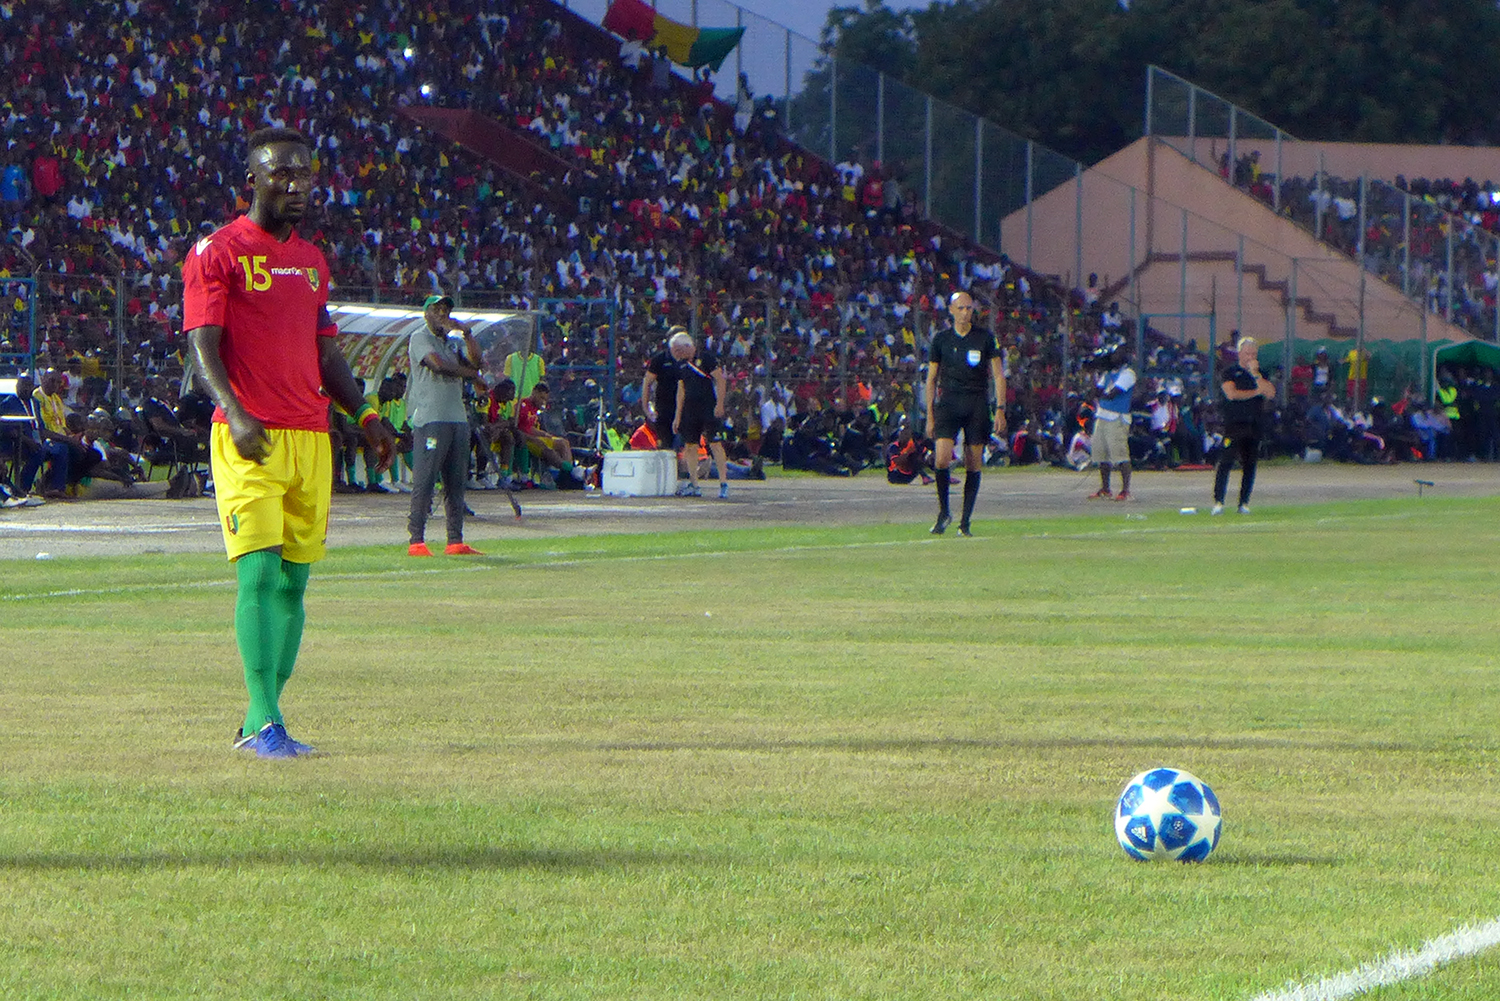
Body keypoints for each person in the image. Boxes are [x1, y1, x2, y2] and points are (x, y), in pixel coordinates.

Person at [184, 126, 395, 759]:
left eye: (304, 172)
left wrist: (364, 411)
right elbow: (201, 344)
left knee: (295, 586)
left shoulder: (312, 261)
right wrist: (234, 409)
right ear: (252, 180)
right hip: (249, 436)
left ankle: (267, 714)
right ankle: (262, 714)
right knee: (258, 572)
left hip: (311, 438)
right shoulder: (216, 252)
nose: (296, 184)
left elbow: (325, 349)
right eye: (281, 173)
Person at [406, 293, 487, 557]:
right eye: (437, 309)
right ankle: (416, 540)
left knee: (455, 482)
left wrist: (466, 333)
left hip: (456, 418)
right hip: (431, 417)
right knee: (425, 480)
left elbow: (477, 362)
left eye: (446, 309)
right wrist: (472, 376)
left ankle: (455, 540)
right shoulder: (420, 338)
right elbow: (437, 366)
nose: (443, 314)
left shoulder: (451, 344)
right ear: (426, 313)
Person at [923, 291, 1005, 536]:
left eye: (969, 308)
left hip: (976, 402)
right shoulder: (941, 340)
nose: (965, 312)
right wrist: (929, 414)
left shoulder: (984, 338)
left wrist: (1000, 408)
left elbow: (999, 375)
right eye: (960, 308)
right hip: (948, 401)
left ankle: (965, 521)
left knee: (973, 461)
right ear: (951, 310)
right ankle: (943, 512)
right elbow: (931, 379)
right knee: (941, 458)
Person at [1211, 336, 1276, 515]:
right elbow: (1231, 394)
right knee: (1226, 462)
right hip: (1234, 424)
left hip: (1254, 424)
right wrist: (1256, 392)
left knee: (1250, 464)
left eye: (1254, 353)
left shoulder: (1260, 373)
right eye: (1248, 353)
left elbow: (1270, 392)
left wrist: (1256, 375)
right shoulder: (1230, 372)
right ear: (1240, 353)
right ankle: (1219, 501)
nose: (1251, 357)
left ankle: (1244, 503)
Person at [670, 329, 730, 498]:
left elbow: (720, 380)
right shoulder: (680, 365)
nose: (677, 355)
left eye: (679, 351)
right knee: (690, 445)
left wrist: (719, 404)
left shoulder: (706, 359)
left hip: (708, 406)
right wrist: (677, 415)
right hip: (690, 409)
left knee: (715, 443)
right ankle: (694, 484)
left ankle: (723, 482)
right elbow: (681, 389)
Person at [1089, 341, 1136, 500]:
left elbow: (1112, 394)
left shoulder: (1128, 374)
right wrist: (1095, 373)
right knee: (1101, 453)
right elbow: (1096, 390)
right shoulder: (1108, 373)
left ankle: (1125, 490)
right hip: (1102, 415)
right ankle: (1105, 488)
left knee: (1120, 454)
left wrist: (1099, 392)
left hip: (1117, 417)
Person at [642, 327, 684, 451]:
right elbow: (647, 383)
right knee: (666, 448)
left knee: (684, 447)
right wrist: (646, 409)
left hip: (685, 410)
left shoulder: (690, 359)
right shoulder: (660, 359)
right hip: (665, 411)